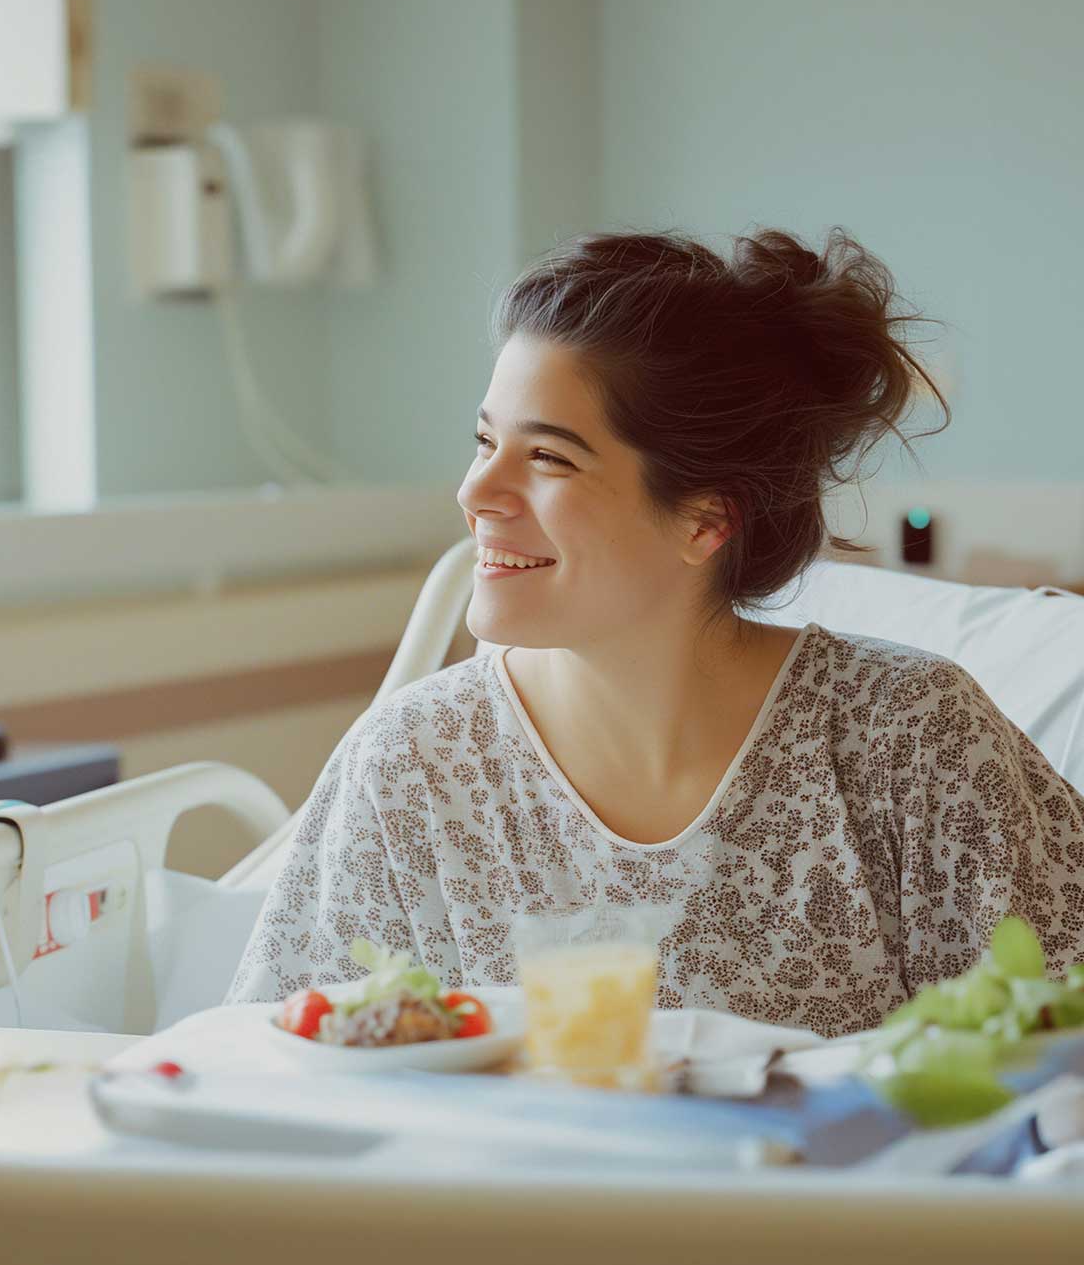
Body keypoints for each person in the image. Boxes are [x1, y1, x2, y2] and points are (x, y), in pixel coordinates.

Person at [224, 229, 1084, 1036]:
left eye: (549, 456)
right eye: (485, 441)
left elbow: (1056, 1060)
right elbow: (274, 1081)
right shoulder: (414, 768)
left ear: (705, 521)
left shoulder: (913, 742)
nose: (476, 491)